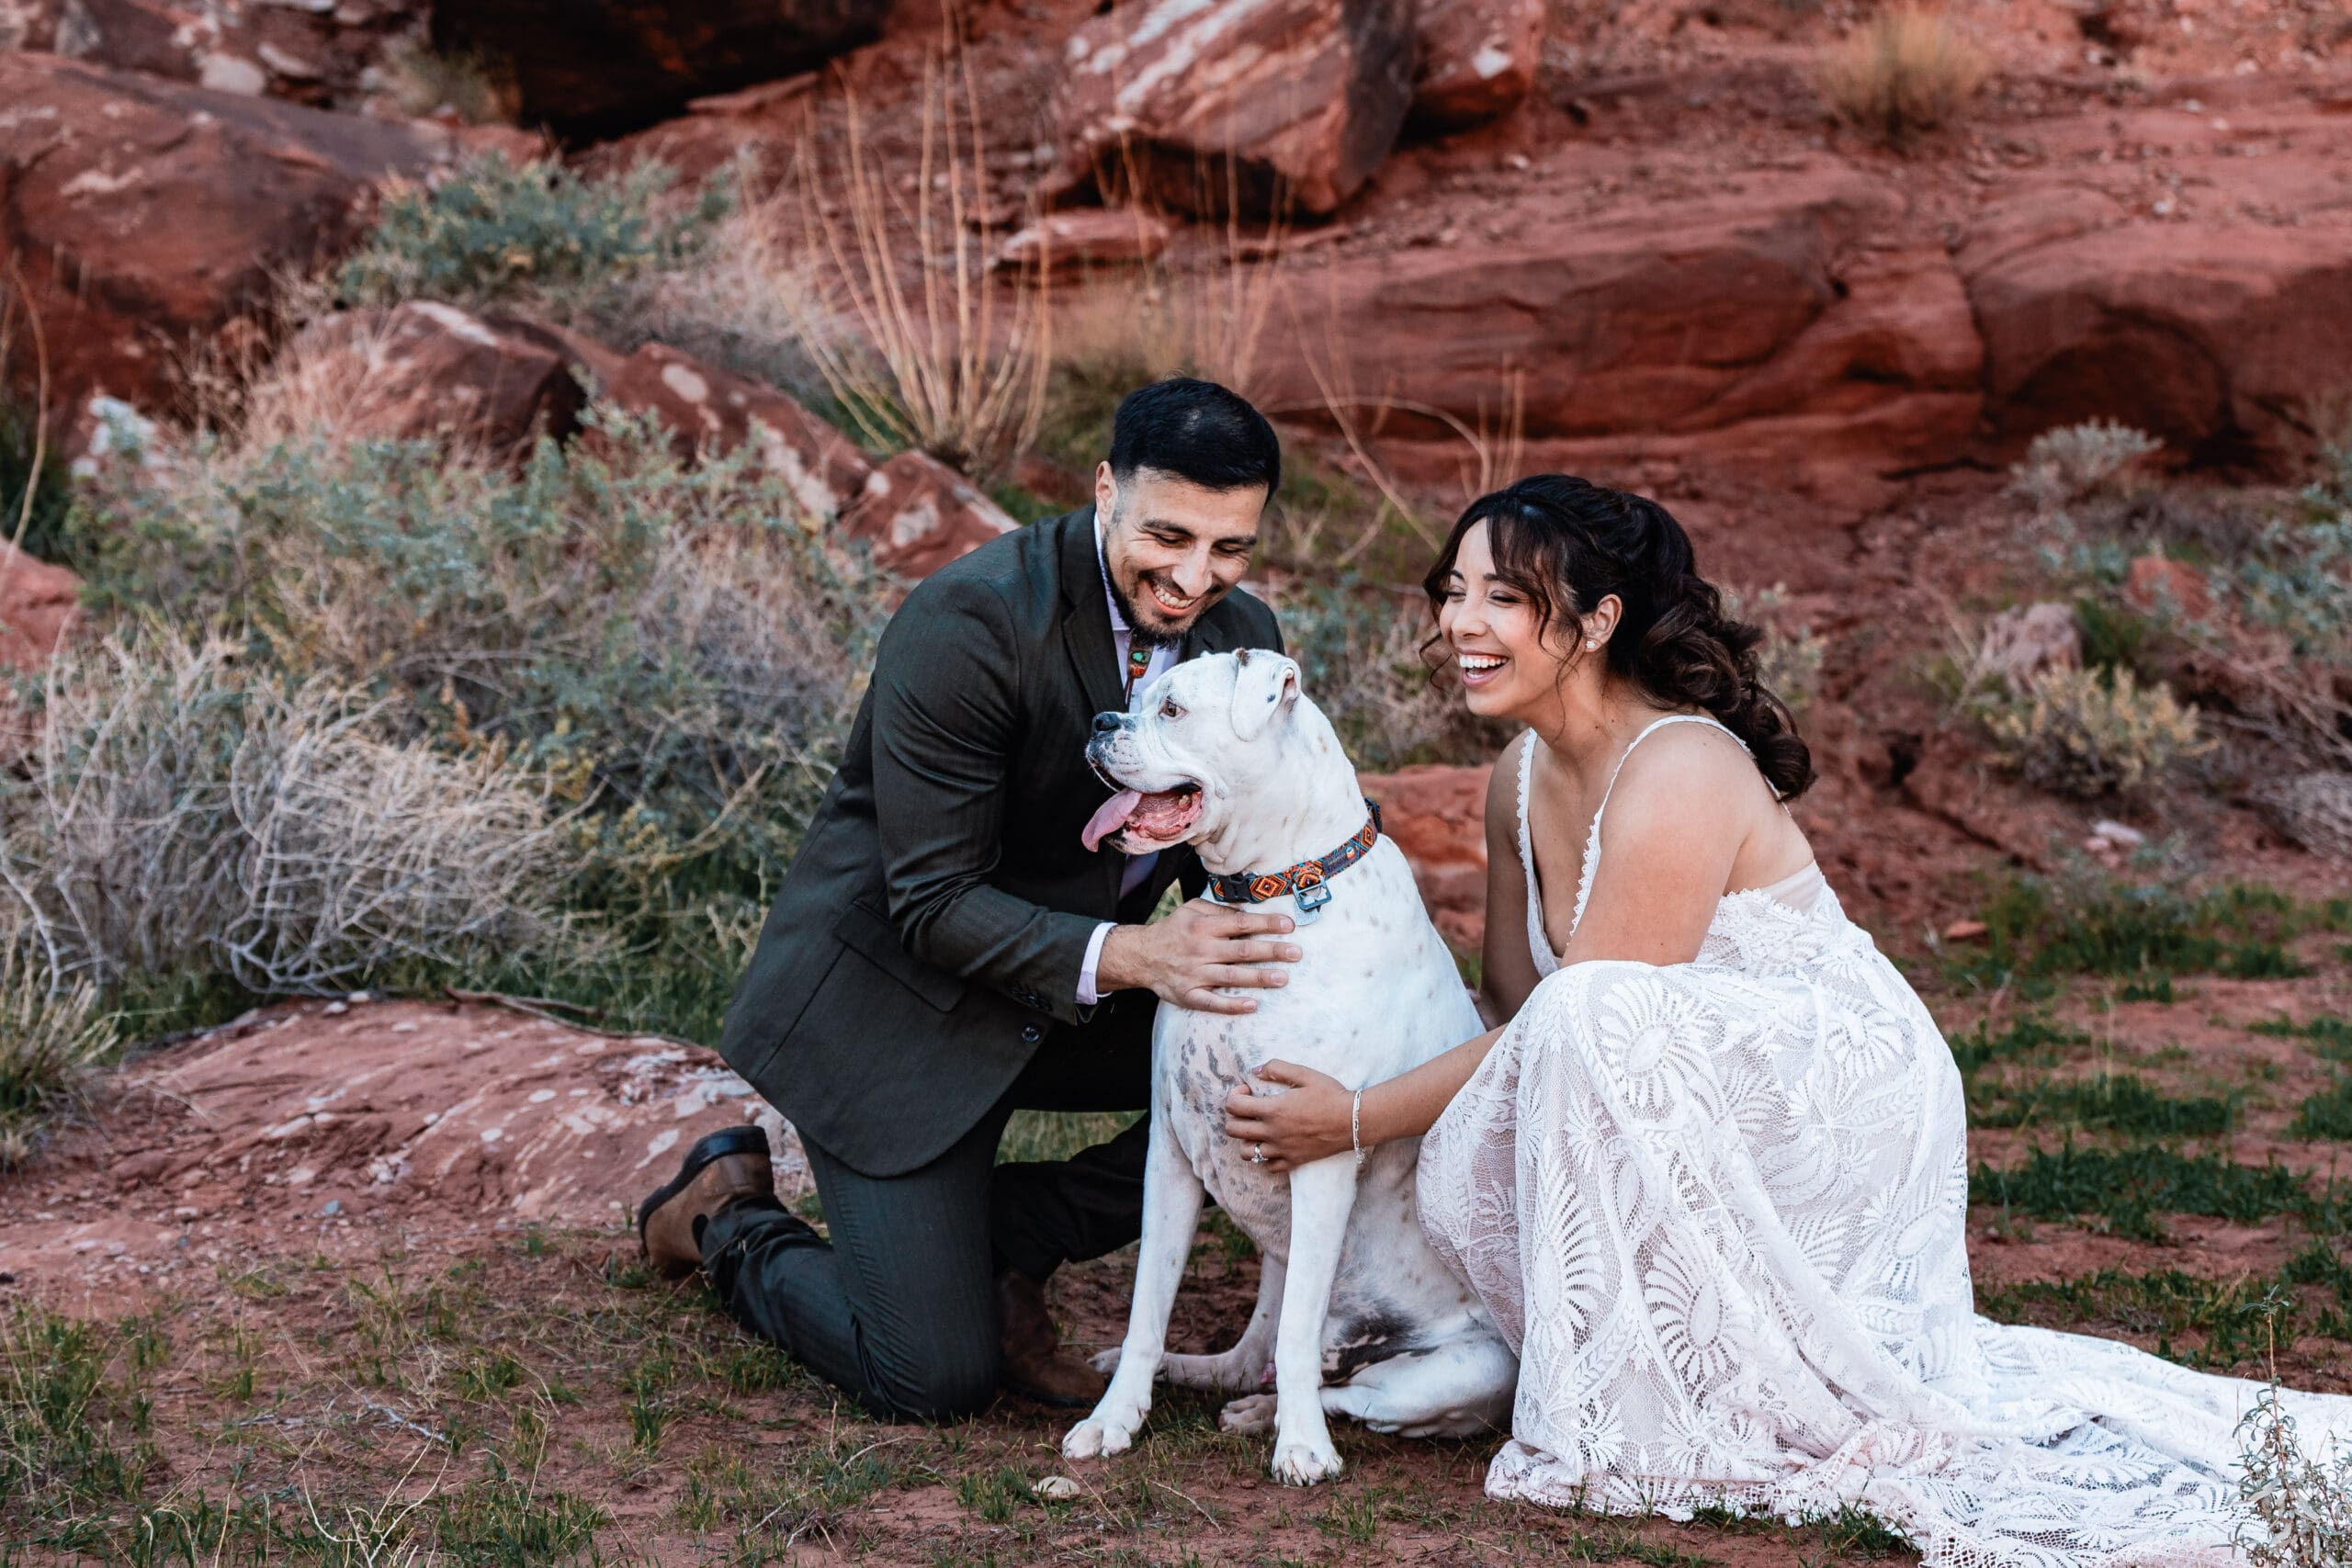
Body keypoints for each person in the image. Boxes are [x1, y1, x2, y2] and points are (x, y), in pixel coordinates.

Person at [1223, 474, 2352, 1564]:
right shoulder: (1517, 777)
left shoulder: (1679, 766)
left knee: (1586, 1012)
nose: (1460, 622)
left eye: (1503, 597)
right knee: (1562, 1032)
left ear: (1597, 621)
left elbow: (1582, 1014)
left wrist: (1358, 1116)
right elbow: (1518, 1011)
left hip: (1835, 1090)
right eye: (1453, 590)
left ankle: (1672, 1386)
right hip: (1671, 1068)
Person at [637, 378, 1303, 1422]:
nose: (1193, 578)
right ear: (1105, 491)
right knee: (931, 1377)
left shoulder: (1242, 637)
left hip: (1064, 998)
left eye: (1230, 548)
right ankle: (725, 1217)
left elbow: (1260, 833)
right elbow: (932, 902)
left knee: (1287, 1059)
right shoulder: (971, 619)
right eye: (1168, 536)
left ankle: (1014, 1231)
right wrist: (1142, 955)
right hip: (899, 1009)